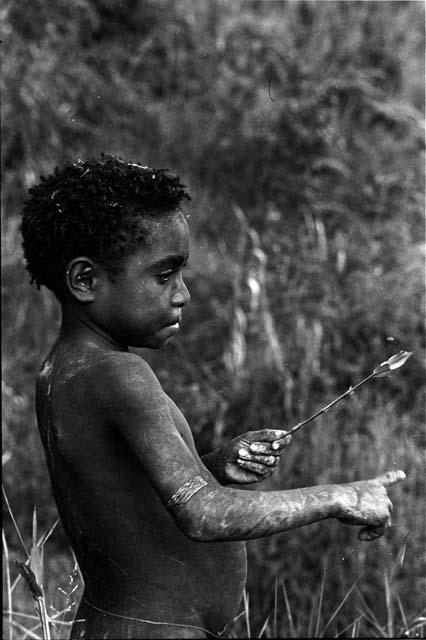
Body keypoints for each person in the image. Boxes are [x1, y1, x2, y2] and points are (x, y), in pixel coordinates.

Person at [21, 154, 405, 639]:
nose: (182, 294)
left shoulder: (63, 369)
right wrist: (341, 497)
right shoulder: (120, 375)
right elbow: (202, 514)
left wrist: (213, 466)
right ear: (85, 280)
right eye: (164, 275)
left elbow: (123, 492)